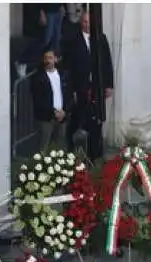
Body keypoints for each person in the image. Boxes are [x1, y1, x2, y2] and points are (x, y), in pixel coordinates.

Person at [62, 12, 114, 159]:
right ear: (81, 23)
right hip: (81, 88)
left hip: (97, 87)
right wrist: (71, 90)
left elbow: (107, 62)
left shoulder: (100, 38)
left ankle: (95, 155)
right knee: (78, 119)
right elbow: (69, 68)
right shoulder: (73, 41)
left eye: (89, 22)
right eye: (85, 22)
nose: (87, 25)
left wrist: (109, 84)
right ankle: (73, 152)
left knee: (97, 121)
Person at [31, 48, 73, 151]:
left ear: (56, 59)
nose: (48, 60)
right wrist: (53, 111)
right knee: (43, 147)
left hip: (62, 116)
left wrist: (64, 111)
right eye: (45, 58)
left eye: (50, 58)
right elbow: (38, 99)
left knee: (61, 147)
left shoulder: (63, 76)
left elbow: (69, 95)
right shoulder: (38, 77)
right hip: (46, 117)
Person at [14, 4, 65, 78]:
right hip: (48, 10)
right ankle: (22, 60)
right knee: (45, 40)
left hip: (57, 9)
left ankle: (51, 69)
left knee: (55, 41)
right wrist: (41, 12)